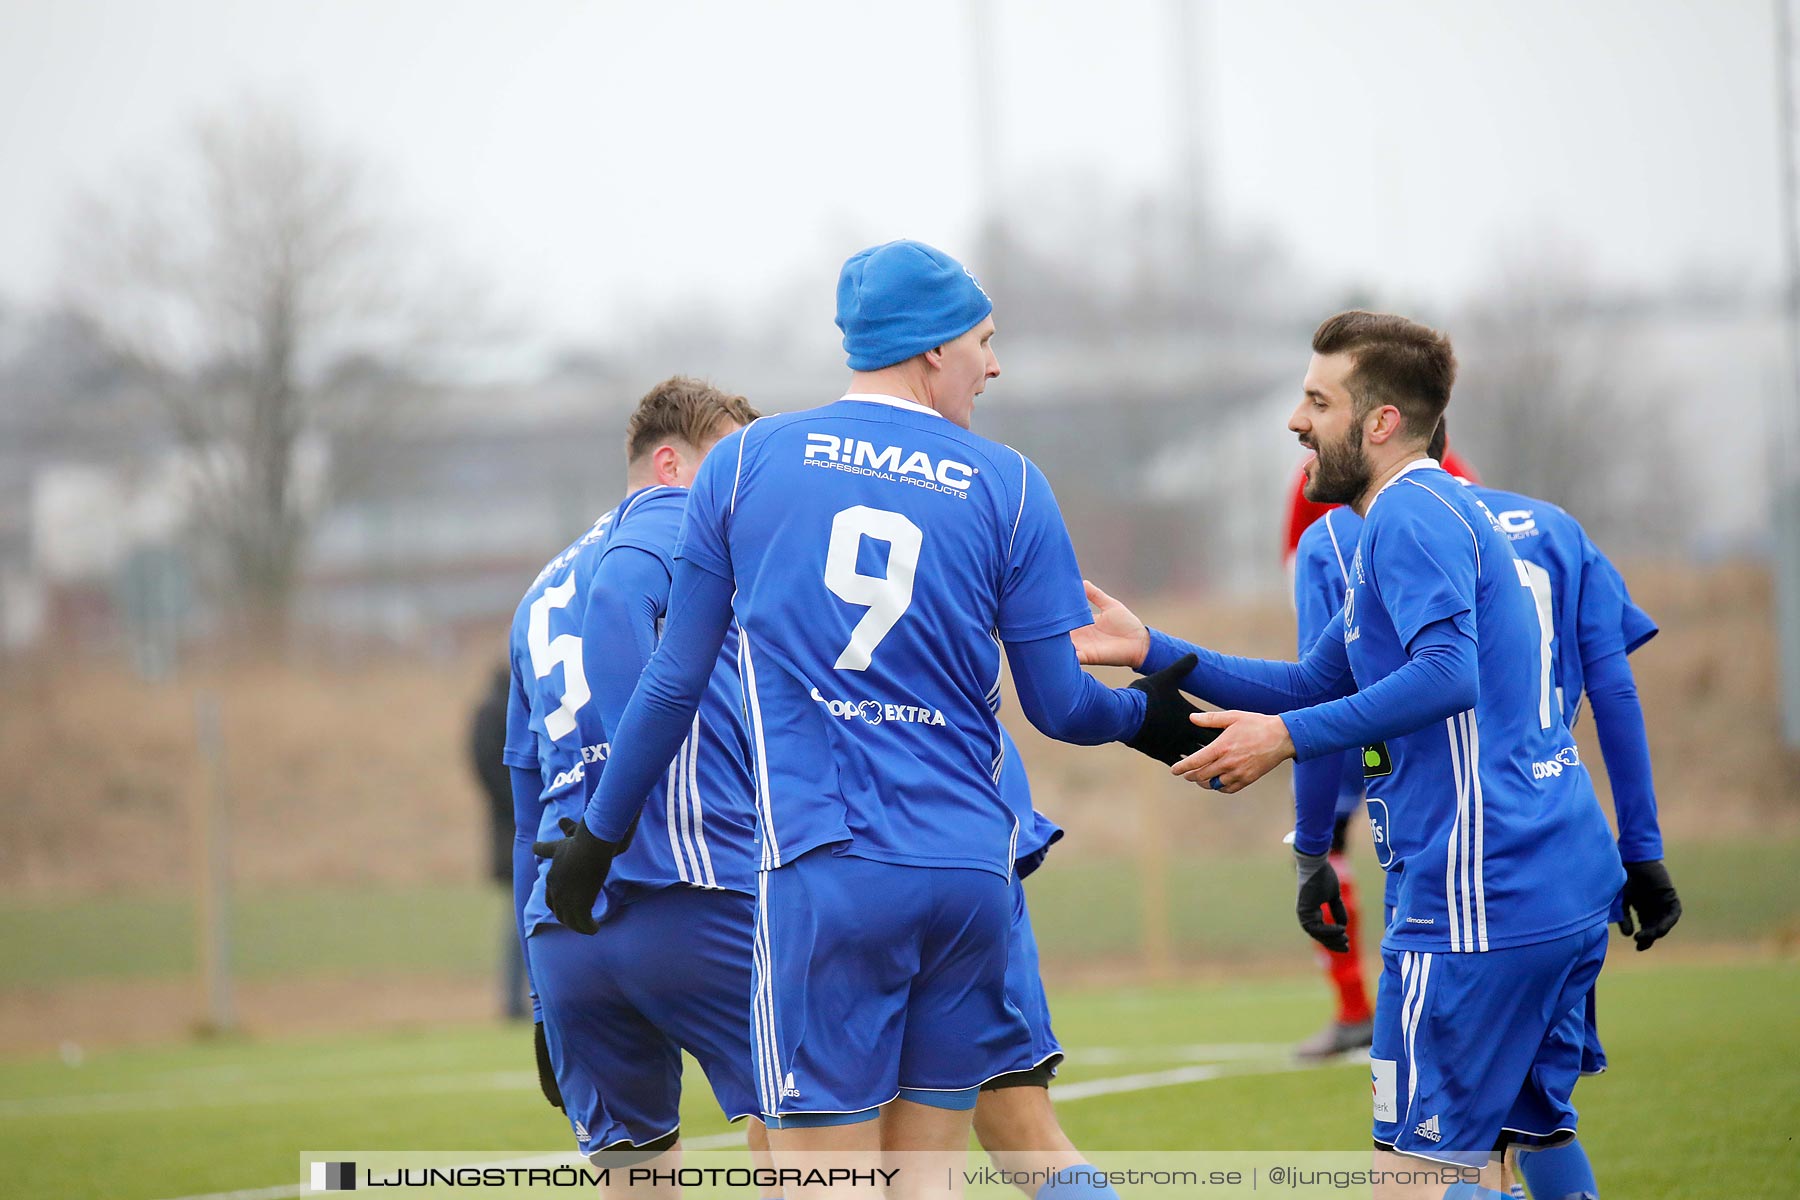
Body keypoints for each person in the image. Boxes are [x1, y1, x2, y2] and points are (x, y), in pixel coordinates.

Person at [533, 240, 1204, 1196]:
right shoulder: (1010, 482)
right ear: (931, 350)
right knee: (932, 1180)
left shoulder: (747, 464)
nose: (995, 362)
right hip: (972, 880)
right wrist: (1150, 718)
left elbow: (671, 684)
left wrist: (601, 836)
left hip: (834, 872)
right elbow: (1058, 706)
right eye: (984, 340)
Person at [1076, 311, 1624, 1199]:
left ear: (1380, 422)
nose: (1297, 420)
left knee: (1409, 1177)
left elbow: (1448, 676)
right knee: (1516, 1145)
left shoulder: (1407, 515)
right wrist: (1151, 648)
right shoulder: (1416, 515)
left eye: (1317, 400)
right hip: (1554, 878)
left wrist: (1287, 742)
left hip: (1479, 900)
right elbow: (1309, 682)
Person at [503, 377, 772, 1179]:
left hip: (564, 928)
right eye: (725, 463)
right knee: (815, 1139)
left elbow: (525, 811)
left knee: (635, 1180)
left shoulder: (536, 593)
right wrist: (622, 809)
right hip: (687, 883)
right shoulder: (676, 517)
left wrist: (541, 999)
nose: (740, 490)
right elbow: (625, 601)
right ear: (668, 463)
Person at [1284, 450, 1482, 1062]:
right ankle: (1380, 1008)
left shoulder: (1330, 518)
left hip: (1385, 711)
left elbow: (1305, 583)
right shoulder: (1467, 486)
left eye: (1318, 400)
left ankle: (1362, 1008)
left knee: (1334, 841)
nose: (1301, 422)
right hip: (1478, 750)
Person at [973, 725, 1115, 1200]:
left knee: (828, 1154)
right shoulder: (961, 674)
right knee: (1027, 1140)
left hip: (843, 903)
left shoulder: (772, 664)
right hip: (980, 894)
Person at [470, 662, 530, 1021]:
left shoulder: (500, 706)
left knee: (523, 913)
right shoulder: (498, 709)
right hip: (513, 830)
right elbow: (487, 769)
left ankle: (523, 998)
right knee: (520, 915)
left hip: (516, 827)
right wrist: (525, 801)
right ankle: (513, 1000)